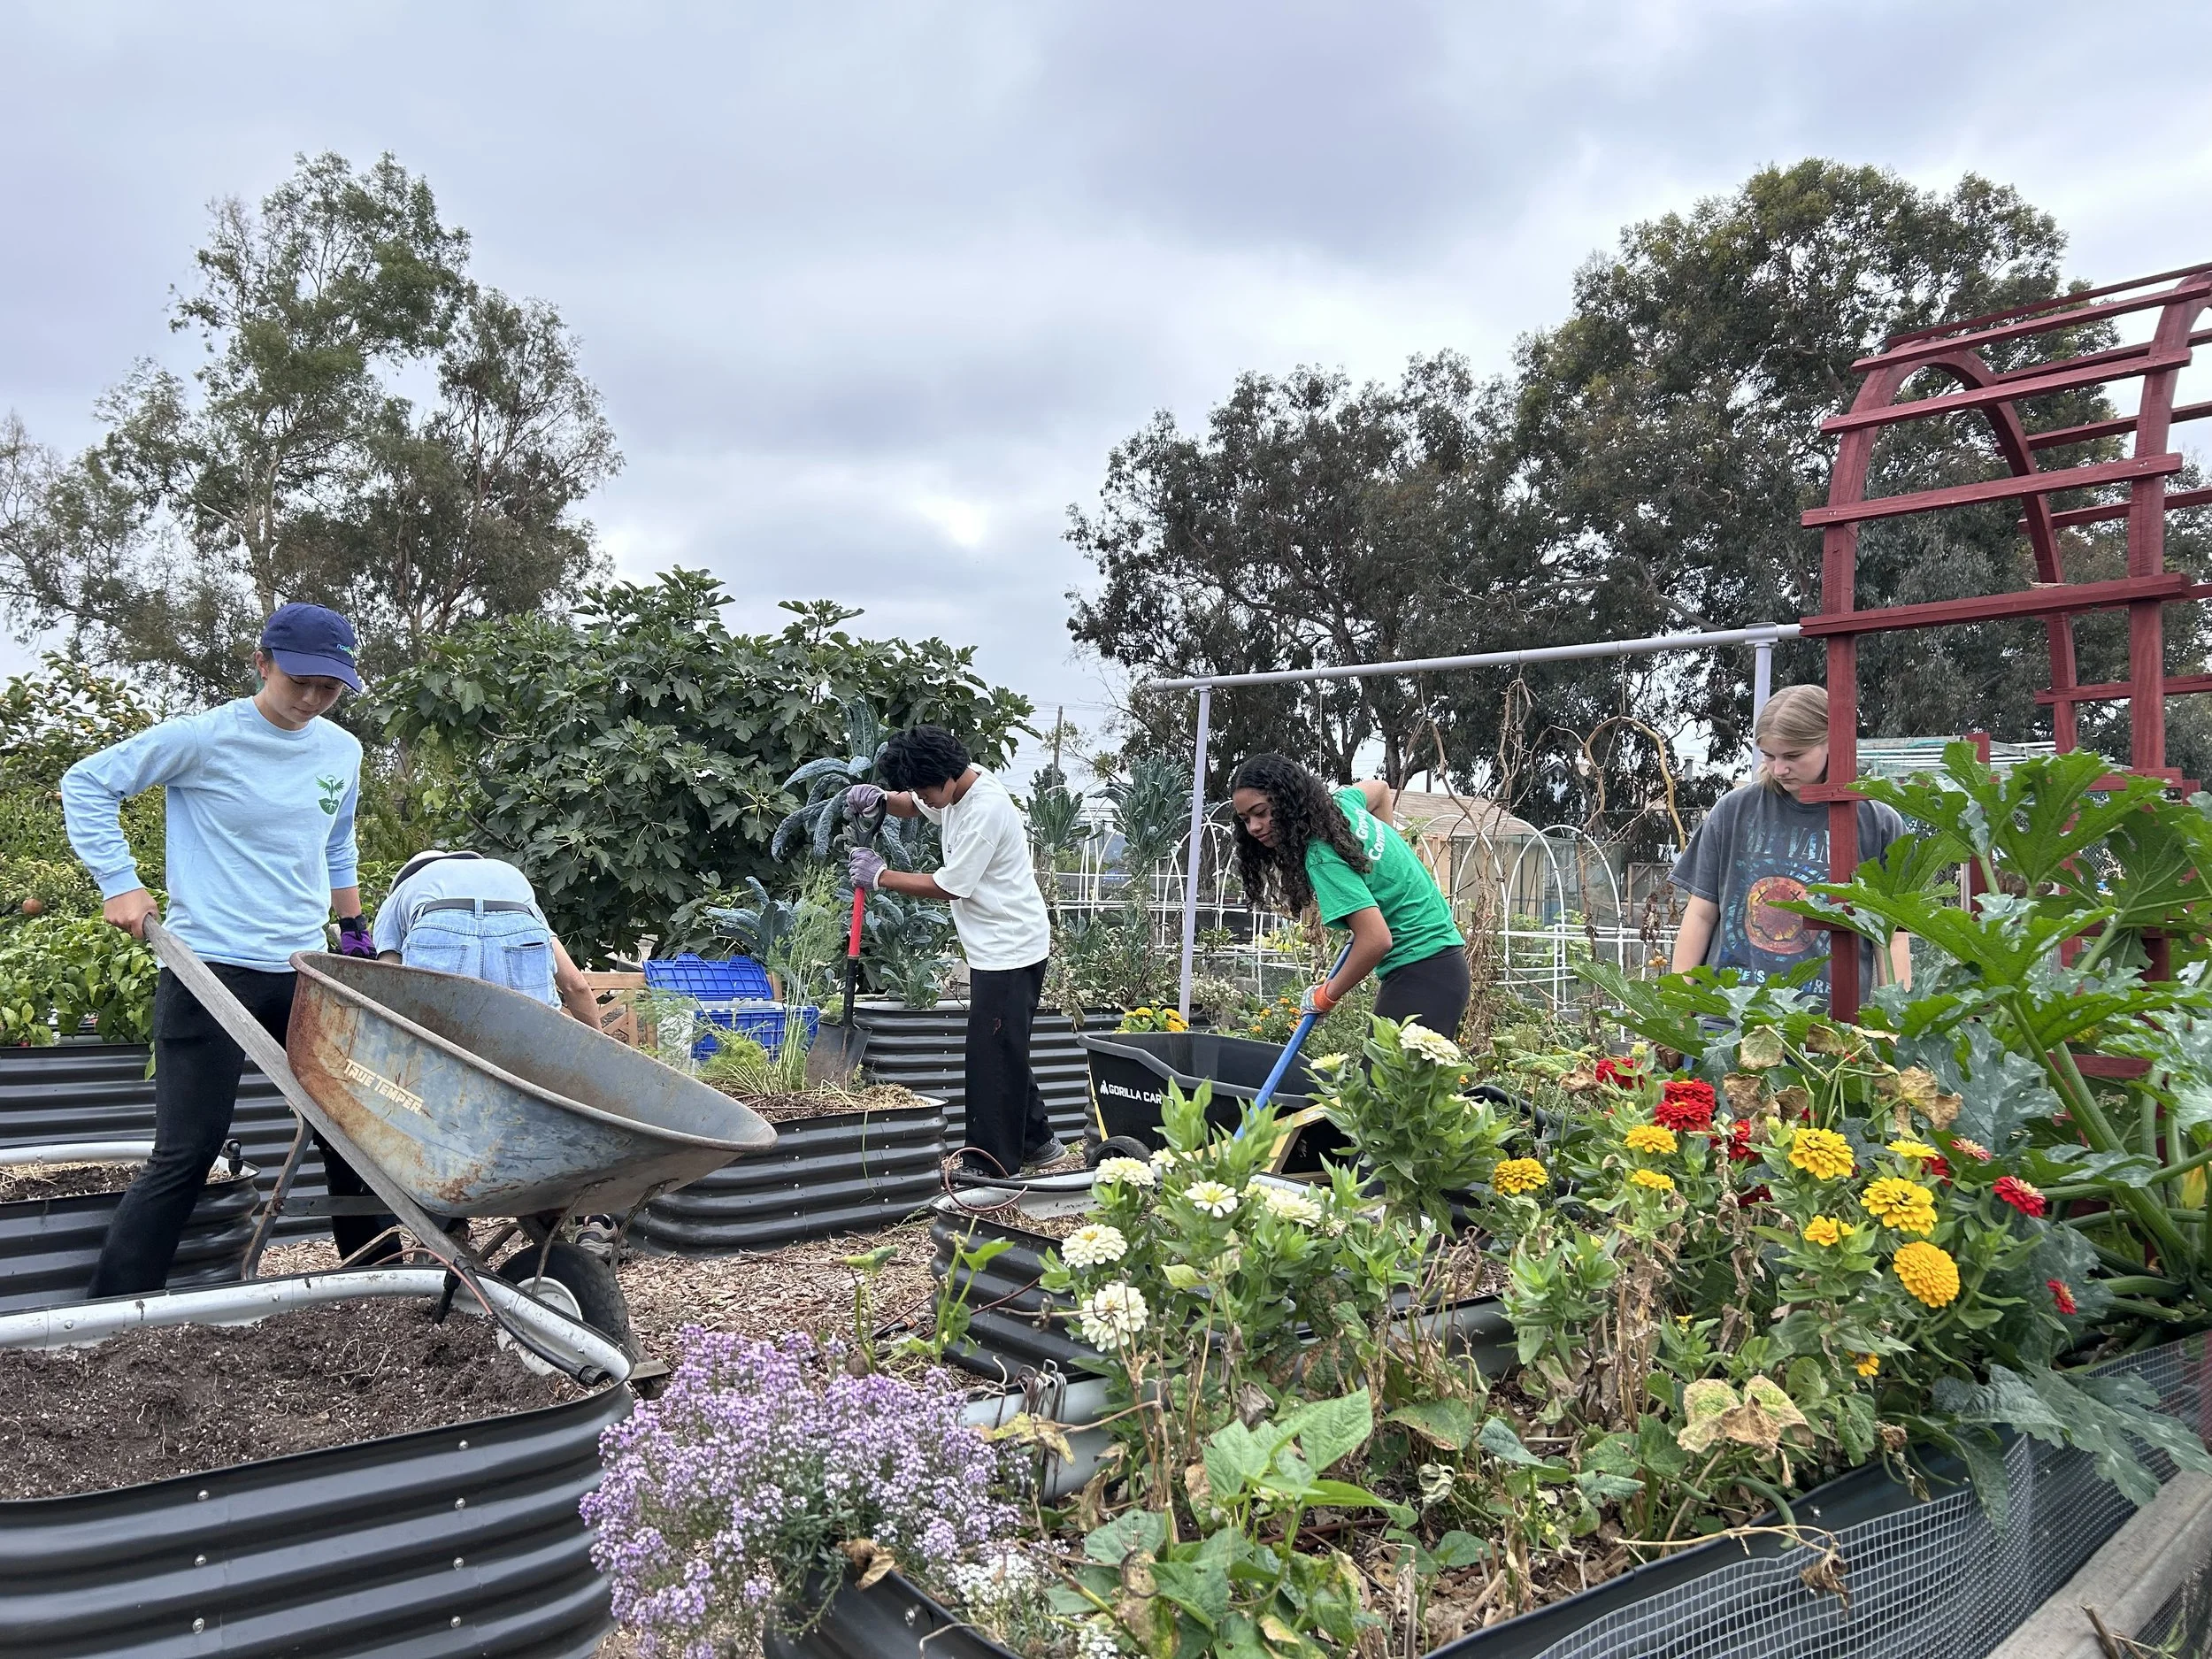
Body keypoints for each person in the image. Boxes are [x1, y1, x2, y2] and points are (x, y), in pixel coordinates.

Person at [63, 602, 401, 1297]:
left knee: (350, 1129)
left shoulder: (342, 751)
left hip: (304, 970)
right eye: (299, 680)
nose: (311, 699)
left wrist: (358, 936)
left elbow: (337, 843)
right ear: (263, 662)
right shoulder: (205, 737)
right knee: (189, 1151)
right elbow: (86, 784)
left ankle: (377, 1288)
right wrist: (121, 883)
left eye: (328, 687)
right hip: (210, 968)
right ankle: (111, 1309)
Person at [843, 726, 1063, 1179]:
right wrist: (885, 798)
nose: (921, 797)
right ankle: (1039, 1141)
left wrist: (881, 875)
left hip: (1011, 948)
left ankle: (994, 1162)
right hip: (994, 945)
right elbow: (921, 804)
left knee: (990, 1056)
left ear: (946, 776)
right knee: (1003, 1047)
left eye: (924, 787)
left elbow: (950, 885)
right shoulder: (955, 789)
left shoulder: (985, 809)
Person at [1670, 683, 1912, 995]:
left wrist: (1896, 1023)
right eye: (1769, 755)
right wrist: (1677, 1003)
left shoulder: (1878, 824)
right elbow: (1701, 915)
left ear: (1832, 741)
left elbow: (1892, 935)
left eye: (1793, 755)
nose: (1779, 769)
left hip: (1827, 1025)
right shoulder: (1734, 811)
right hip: (1726, 1017)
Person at [1228, 754, 1471, 1040]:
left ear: (1287, 800)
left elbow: (1376, 940)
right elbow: (1380, 791)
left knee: (1377, 1084)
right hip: (1440, 967)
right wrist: (1377, 861)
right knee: (1384, 1082)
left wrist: (1325, 996)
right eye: (1245, 819)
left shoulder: (1321, 856)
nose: (1254, 827)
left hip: (1423, 972)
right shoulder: (1341, 806)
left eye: (1261, 812)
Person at [372, 849, 602, 1024]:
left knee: (430, 1037)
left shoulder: (404, 890)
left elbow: (388, 977)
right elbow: (575, 985)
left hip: (438, 923)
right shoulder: (507, 877)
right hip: (518, 921)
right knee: (534, 1037)